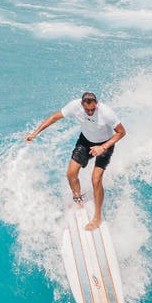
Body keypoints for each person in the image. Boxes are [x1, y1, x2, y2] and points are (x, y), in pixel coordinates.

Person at [25, 92, 126, 230]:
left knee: (96, 179)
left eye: (93, 109)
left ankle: (97, 217)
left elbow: (121, 132)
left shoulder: (106, 112)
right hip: (85, 142)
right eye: (87, 110)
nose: (90, 112)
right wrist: (35, 133)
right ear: (81, 105)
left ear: (97, 104)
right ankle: (78, 200)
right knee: (71, 174)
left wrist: (102, 147)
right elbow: (55, 117)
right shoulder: (75, 106)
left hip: (105, 144)